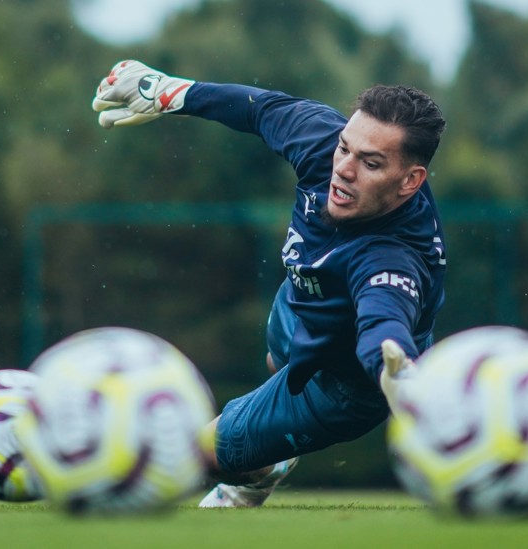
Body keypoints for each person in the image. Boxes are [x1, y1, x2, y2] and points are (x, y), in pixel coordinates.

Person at [92, 60, 447, 507]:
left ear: (410, 181)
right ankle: (267, 454)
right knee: (276, 355)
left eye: (371, 163)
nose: (344, 169)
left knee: (185, 456)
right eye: (345, 149)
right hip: (303, 305)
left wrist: (394, 371)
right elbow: (260, 109)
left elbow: (384, 318)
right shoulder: (325, 145)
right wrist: (171, 92)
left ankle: (256, 471)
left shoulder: (393, 256)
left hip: (344, 382)